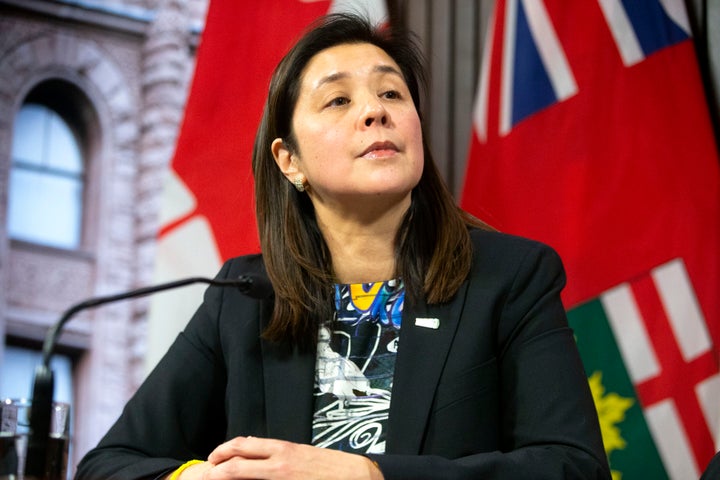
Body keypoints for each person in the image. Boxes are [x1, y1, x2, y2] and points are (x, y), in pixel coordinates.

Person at [75, 13, 611, 480]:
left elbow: (573, 467)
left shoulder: (511, 278)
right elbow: (109, 464)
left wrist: (372, 474)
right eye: (338, 99)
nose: (375, 112)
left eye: (391, 93)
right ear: (290, 161)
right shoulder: (243, 297)